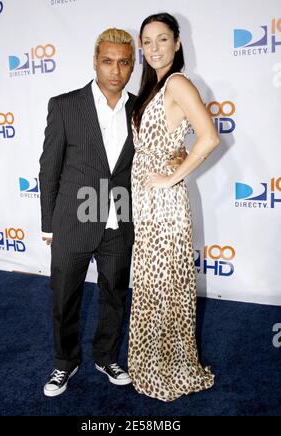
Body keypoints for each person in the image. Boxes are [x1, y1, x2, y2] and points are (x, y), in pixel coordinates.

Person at [39, 28, 136, 397]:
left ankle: (106, 355)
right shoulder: (65, 105)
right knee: (64, 296)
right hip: (72, 220)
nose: (115, 70)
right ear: (95, 62)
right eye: (108, 61)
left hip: (119, 220)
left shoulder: (139, 108)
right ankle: (65, 362)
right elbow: (49, 168)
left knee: (114, 294)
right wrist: (49, 223)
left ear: (132, 65)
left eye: (124, 62)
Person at [128, 12, 220, 402]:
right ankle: (156, 360)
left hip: (163, 202)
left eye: (162, 39)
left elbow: (209, 137)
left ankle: (166, 367)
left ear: (177, 43)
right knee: (154, 282)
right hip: (146, 201)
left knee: (163, 282)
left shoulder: (178, 82)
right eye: (146, 42)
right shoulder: (155, 87)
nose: (153, 48)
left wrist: (171, 176)